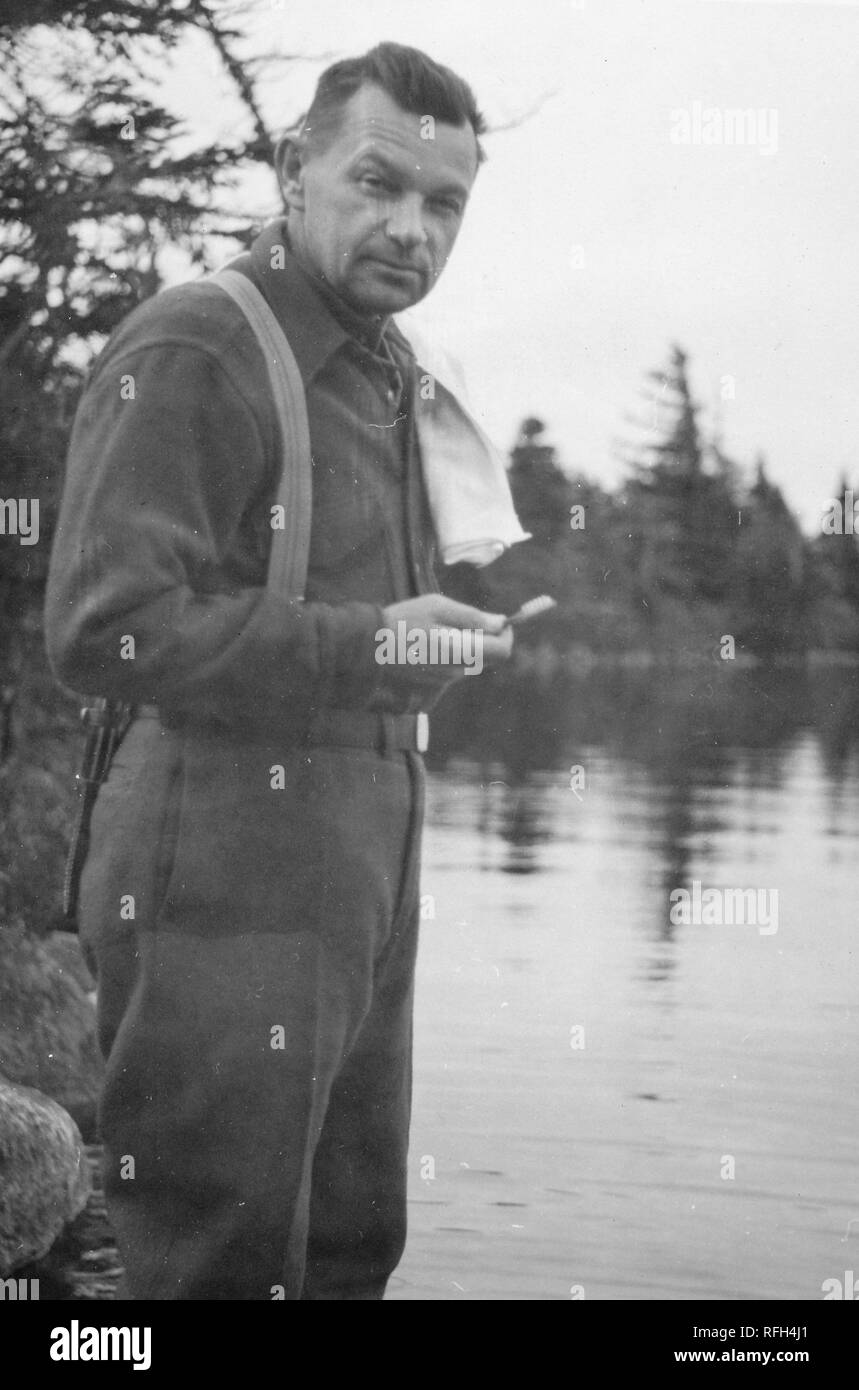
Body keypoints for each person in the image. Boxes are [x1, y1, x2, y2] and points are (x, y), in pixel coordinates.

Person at [45, 41, 524, 1300]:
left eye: (444, 203)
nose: (410, 228)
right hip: (217, 853)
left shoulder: (387, 372)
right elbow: (109, 627)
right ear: (291, 170)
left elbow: (342, 628)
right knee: (220, 1253)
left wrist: (429, 641)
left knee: (351, 1240)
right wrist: (372, 648)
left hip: (361, 847)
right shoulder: (200, 345)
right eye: (376, 182)